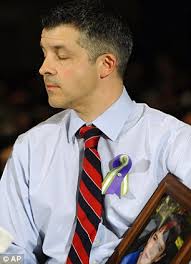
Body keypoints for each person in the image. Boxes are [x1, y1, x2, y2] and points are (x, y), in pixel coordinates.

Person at [0, 0, 191, 263]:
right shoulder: (31, 147)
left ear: (106, 64)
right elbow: (9, 247)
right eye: (44, 53)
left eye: (61, 55)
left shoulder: (172, 141)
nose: (44, 67)